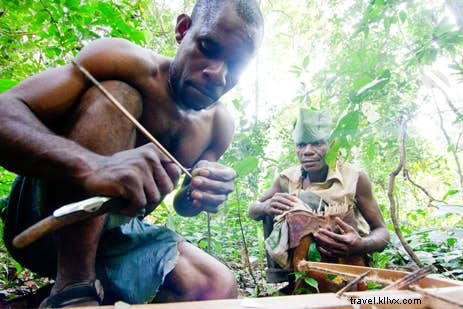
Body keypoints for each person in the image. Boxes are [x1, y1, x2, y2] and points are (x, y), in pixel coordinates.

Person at [0, 0, 264, 307]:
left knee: (214, 286)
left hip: (115, 236)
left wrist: (203, 193)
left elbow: (183, 203)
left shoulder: (219, 125)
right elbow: (5, 112)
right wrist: (92, 167)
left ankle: (58, 298)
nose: (218, 75)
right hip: (43, 221)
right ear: (182, 30)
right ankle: (73, 287)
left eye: (236, 66)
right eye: (208, 47)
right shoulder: (124, 62)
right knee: (119, 94)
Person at [248, 108, 389, 273]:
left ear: (332, 145)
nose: (307, 151)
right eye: (301, 145)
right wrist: (265, 206)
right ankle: (291, 278)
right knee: (280, 204)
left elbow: (382, 231)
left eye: (317, 143)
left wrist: (361, 245)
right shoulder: (287, 178)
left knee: (311, 202)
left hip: (347, 264)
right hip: (299, 266)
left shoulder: (354, 177)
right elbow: (252, 209)